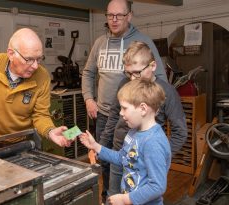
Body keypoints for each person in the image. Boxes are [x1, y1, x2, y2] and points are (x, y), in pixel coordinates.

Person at [81, 0, 168, 200]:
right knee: (110, 160)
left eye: (119, 15)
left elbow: (160, 80)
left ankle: (127, 196)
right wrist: (88, 99)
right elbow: (88, 73)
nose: (114, 19)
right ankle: (109, 197)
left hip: (136, 117)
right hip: (106, 114)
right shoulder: (99, 43)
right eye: (110, 15)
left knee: (133, 161)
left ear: (129, 16)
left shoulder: (143, 41)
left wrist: (149, 115)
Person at [101, 41, 188, 197]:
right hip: (119, 152)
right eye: (128, 73)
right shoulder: (124, 83)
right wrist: (102, 145)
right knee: (113, 196)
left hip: (142, 162)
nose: (133, 78)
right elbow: (114, 116)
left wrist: (160, 156)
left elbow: (180, 132)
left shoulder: (167, 91)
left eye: (137, 72)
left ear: (152, 66)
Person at [0, 28, 71, 147]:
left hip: (25, 143)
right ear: (11, 54)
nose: (35, 66)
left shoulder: (42, 76)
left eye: (39, 59)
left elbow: (40, 115)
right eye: (29, 59)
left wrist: (50, 132)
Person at [80, 79, 171, 205]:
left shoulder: (153, 142)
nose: (121, 113)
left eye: (124, 108)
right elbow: (122, 157)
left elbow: (157, 186)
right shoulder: (133, 132)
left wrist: (126, 199)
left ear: (143, 109)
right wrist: (96, 146)